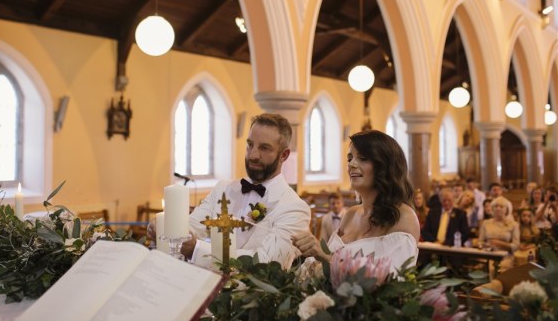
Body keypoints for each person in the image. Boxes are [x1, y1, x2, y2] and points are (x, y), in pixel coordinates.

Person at [154, 113, 311, 270]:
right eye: (250, 145)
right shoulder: (223, 188)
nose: (253, 155)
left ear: (284, 155)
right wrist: (168, 228)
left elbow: (267, 264)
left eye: (264, 148)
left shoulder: (295, 208)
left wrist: (197, 250)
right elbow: (193, 226)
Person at [292, 130, 420, 274]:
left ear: (385, 166)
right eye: (350, 158)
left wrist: (324, 256)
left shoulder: (404, 217)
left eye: (363, 158)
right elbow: (323, 265)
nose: (352, 164)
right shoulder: (351, 214)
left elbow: (391, 282)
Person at [478, 196, 520, 273]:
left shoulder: (514, 224)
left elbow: (516, 245)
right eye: (495, 206)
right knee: (490, 269)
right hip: (489, 255)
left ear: (507, 210)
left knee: (501, 271)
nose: (498, 208)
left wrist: (501, 244)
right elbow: (480, 242)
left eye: (501, 207)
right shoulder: (486, 223)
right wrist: (485, 246)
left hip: (506, 257)